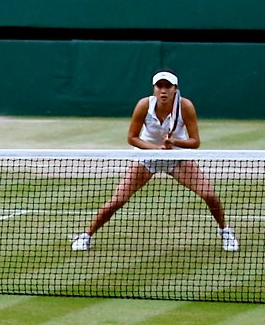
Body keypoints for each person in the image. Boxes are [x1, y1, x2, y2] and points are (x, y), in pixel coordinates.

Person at [72, 71, 239, 253]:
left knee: (209, 195)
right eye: (160, 86)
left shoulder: (185, 106)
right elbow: (132, 138)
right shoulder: (144, 105)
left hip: (177, 158)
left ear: (175, 89)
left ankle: (225, 231)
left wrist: (174, 142)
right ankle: (86, 236)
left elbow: (195, 142)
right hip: (147, 157)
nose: (163, 90)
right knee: (117, 200)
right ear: (154, 89)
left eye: (168, 86)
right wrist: (154, 149)